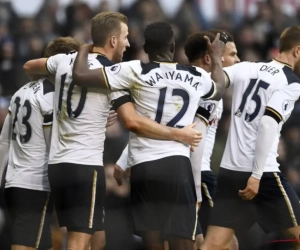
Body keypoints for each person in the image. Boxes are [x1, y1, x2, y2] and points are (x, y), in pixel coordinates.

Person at [23, 14, 202, 250]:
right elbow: (132, 121)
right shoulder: (115, 74)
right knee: (79, 241)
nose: (128, 44)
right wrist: (178, 134)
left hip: (57, 165)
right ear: (114, 40)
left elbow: (29, 66)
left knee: (96, 239)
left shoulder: (65, 60)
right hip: (85, 165)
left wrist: (60, 102)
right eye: (126, 38)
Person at [72, 21, 227, 250]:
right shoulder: (196, 76)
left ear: (145, 48)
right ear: (174, 47)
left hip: (143, 168)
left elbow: (80, 75)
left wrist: (85, 47)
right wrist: (216, 56)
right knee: (182, 243)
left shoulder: (134, 69)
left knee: (153, 244)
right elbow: (220, 86)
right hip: (177, 166)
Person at [200, 26, 300, 250]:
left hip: (230, 171)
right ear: (297, 51)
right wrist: (256, 174)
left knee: (213, 245)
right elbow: (267, 123)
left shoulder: (246, 68)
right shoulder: (291, 82)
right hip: (261, 173)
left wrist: (216, 58)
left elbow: (215, 86)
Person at [0, 36, 81, 250]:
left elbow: (4, 141)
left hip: (13, 180)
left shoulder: (21, 91)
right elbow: (54, 145)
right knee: (26, 245)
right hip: (36, 182)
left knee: (37, 242)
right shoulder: (53, 97)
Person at [184, 30, 240, 250]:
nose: (237, 60)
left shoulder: (182, 81)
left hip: (176, 171)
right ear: (211, 57)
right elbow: (197, 138)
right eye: (232, 54)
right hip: (199, 175)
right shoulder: (210, 88)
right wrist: (197, 188)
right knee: (227, 243)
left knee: (193, 241)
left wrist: (125, 160)